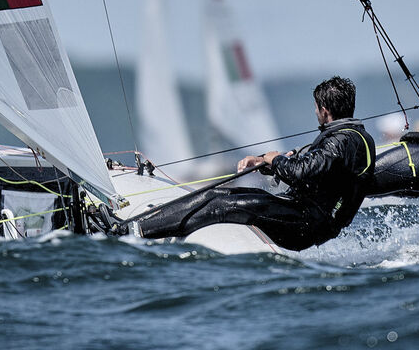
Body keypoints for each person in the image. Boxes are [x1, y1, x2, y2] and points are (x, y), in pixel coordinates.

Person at [89, 76, 376, 251]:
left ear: (324, 110)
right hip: (306, 216)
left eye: (316, 108)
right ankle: (136, 225)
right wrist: (267, 161)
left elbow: (301, 173)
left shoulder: (341, 141)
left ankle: (131, 231)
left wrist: (276, 159)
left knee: (218, 202)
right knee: (223, 195)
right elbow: (317, 169)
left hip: (307, 222)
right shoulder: (355, 138)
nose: (315, 113)